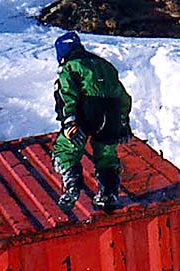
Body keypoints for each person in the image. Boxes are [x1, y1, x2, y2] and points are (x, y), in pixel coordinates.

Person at [52, 31, 133, 210]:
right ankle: (108, 193)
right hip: (111, 114)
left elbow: (66, 93)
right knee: (106, 153)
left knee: (67, 148)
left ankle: (72, 184)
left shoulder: (71, 66)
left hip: (88, 112)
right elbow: (123, 96)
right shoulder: (106, 65)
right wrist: (123, 122)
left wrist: (69, 121)